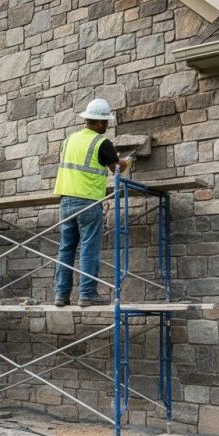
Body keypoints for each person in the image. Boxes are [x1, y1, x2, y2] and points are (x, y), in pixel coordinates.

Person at [53, 98, 130, 307]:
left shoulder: (70, 139)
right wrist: (127, 161)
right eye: (105, 122)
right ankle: (87, 293)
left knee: (66, 248)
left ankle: (61, 295)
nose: (106, 126)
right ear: (100, 122)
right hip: (87, 201)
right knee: (88, 247)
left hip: (66, 200)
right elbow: (116, 168)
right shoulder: (101, 142)